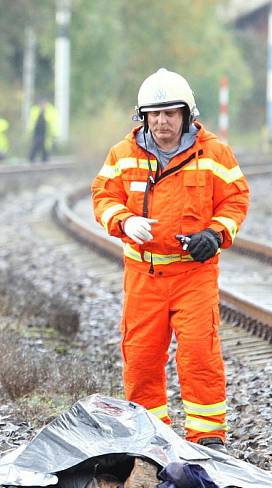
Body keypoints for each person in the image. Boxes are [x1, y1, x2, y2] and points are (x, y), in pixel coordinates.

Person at [91, 68, 250, 454]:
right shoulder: (123, 155)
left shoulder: (214, 153)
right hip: (143, 275)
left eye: (170, 114)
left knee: (199, 352)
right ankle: (150, 436)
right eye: (154, 114)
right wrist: (124, 220)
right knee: (142, 355)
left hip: (193, 275)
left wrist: (214, 234)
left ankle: (207, 438)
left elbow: (236, 199)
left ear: (186, 115)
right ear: (143, 117)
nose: (162, 122)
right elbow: (102, 196)